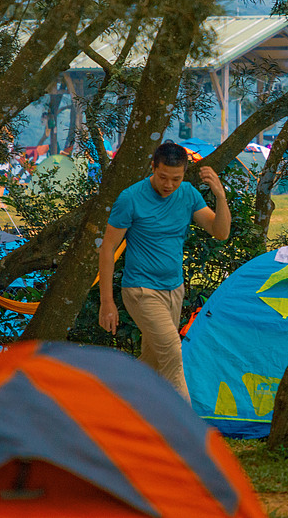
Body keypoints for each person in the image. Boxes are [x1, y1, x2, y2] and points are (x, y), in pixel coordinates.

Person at [98, 141, 230, 401]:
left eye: (176, 179)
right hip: (140, 290)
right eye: (163, 177)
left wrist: (220, 196)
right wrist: (106, 303)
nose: (169, 185)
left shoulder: (189, 195)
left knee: (153, 362)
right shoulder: (131, 198)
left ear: (184, 174)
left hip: (173, 289)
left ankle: (111, 404)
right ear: (153, 168)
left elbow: (220, 232)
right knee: (171, 353)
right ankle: (185, 433)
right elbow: (107, 249)